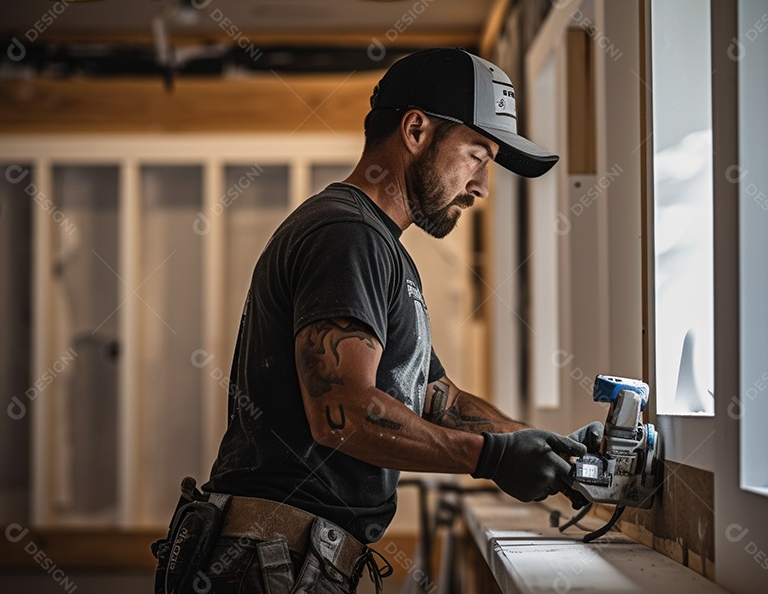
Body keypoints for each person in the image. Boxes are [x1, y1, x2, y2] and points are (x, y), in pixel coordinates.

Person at [151, 48, 602, 594]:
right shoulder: (346, 235)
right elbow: (343, 413)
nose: (482, 187)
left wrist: (545, 445)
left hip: (287, 560)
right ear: (416, 129)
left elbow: (439, 399)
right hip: (266, 565)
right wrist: (492, 458)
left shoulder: (378, 247)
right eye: (477, 155)